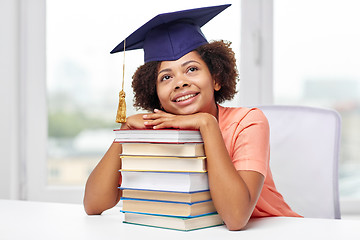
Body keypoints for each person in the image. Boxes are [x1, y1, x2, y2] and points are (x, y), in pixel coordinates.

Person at [83, 4, 301, 230]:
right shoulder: (155, 134)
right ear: (155, 94)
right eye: (166, 77)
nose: (180, 82)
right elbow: (92, 204)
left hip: (275, 230)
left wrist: (207, 124)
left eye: (192, 69)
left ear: (216, 79)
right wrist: (126, 134)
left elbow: (236, 218)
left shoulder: (248, 122)